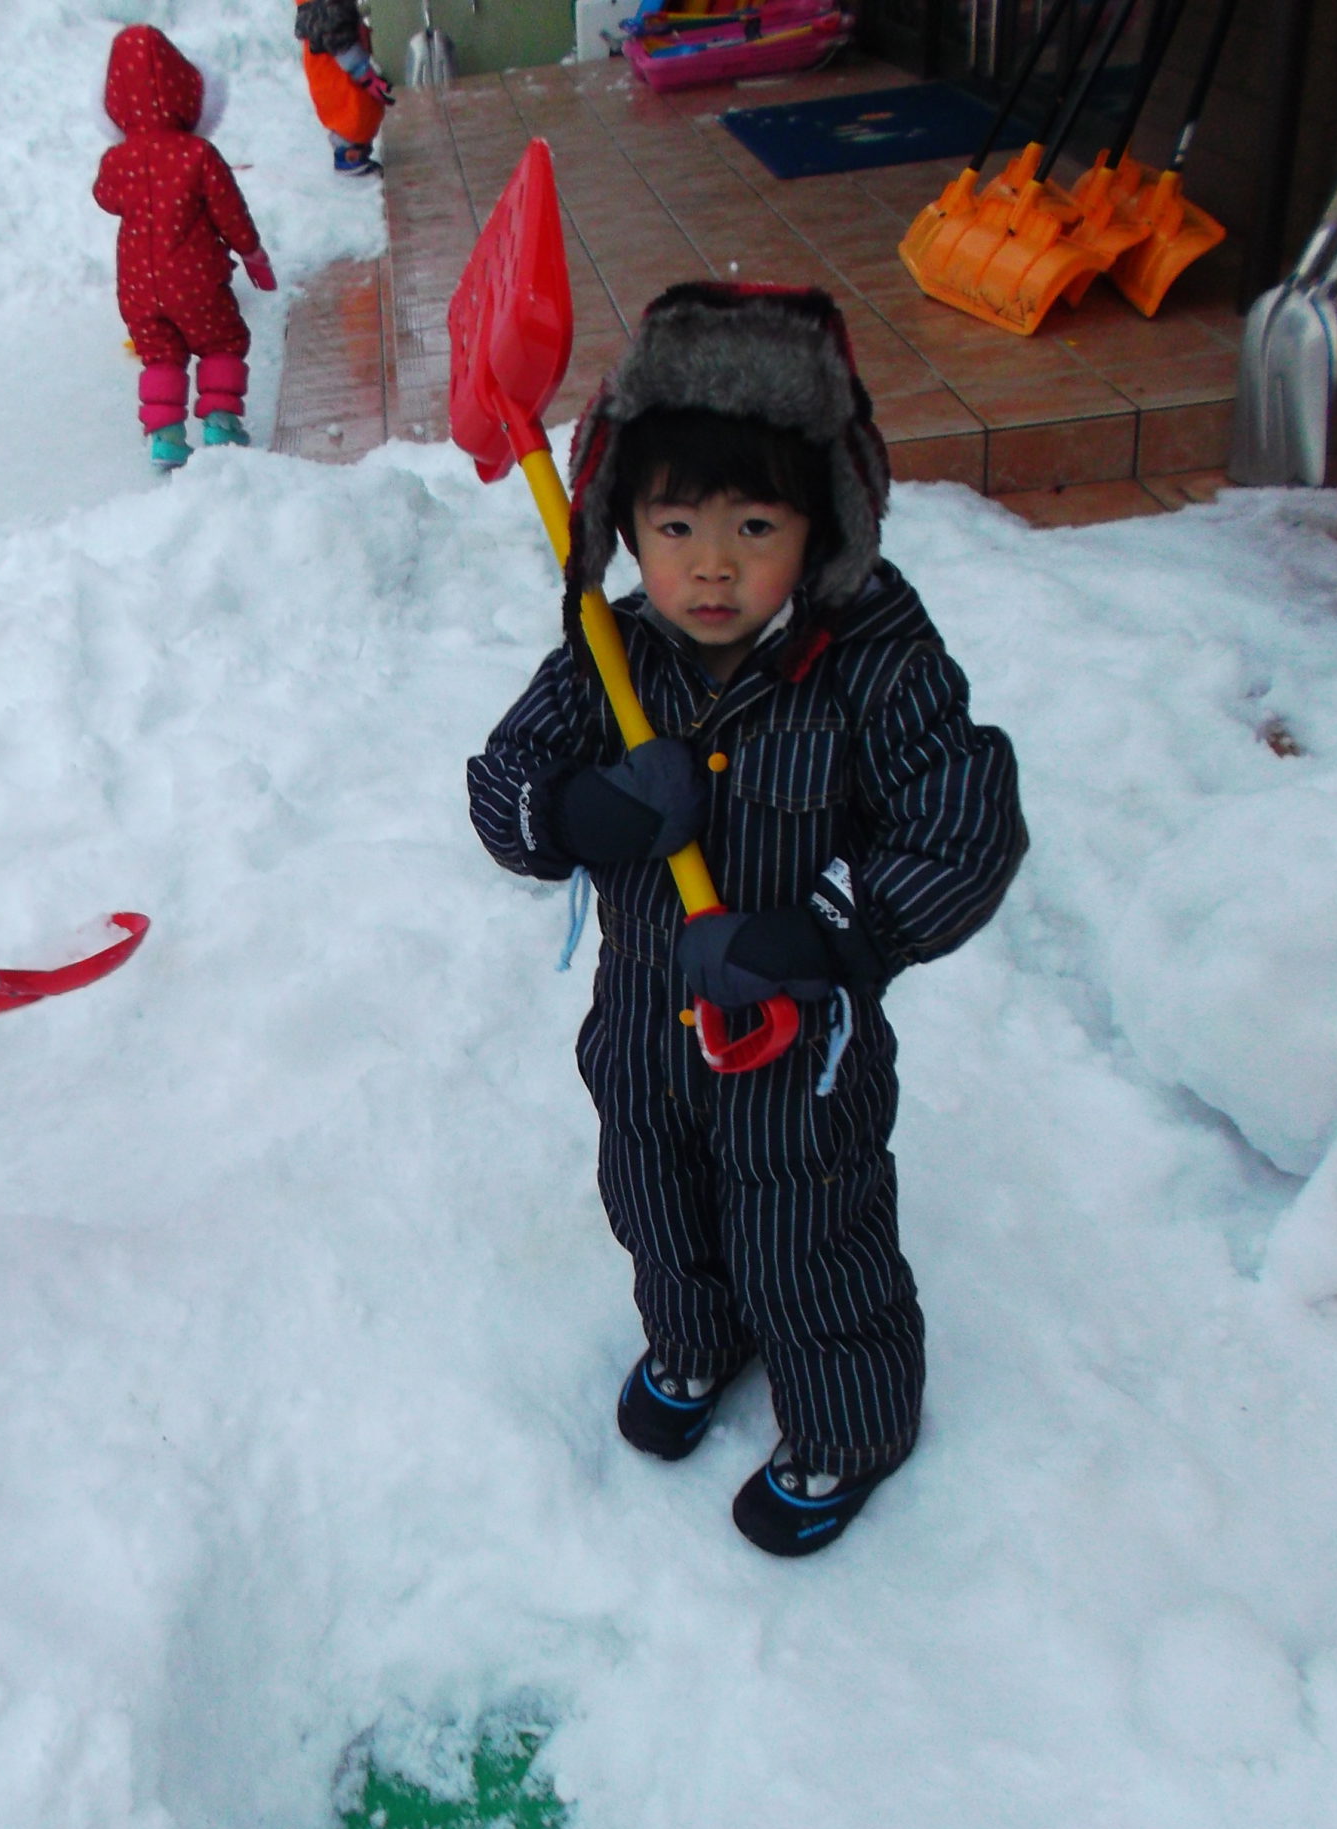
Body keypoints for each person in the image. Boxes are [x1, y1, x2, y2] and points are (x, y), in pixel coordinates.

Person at [465, 285, 1027, 1557]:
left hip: (793, 1042)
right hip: (642, 1021)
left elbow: (961, 821)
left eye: (754, 527)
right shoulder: (607, 652)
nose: (709, 566)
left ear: (823, 520)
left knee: (803, 1229)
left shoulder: (869, 657)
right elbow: (501, 784)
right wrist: (578, 809)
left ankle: (848, 1422)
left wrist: (824, 937)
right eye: (674, 527)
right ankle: (695, 1338)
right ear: (624, 523)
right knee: (652, 1193)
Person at [92, 26, 275, 472]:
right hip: (196, 281)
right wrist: (252, 254)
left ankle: (166, 439)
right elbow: (230, 212)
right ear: (187, 91)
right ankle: (221, 424)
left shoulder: (116, 161)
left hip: (139, 287)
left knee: (160, 356)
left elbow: (105, 197)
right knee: (221, 342)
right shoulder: (197, 154)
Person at [292, 0, 393, 177]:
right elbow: (332, 29)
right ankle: (349, 158)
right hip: (338, 72)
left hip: (333, 69)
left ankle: (351, 152)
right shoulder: (323, 9)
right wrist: (361, 70)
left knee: (355, 112)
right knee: (354, 112)